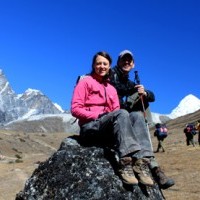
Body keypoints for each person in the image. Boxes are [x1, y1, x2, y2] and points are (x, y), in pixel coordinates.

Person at [71, 51, 155, 186]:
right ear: (93, 65)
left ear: (109, 66)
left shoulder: (111, 88)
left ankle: (142, 162)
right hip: (90, 127)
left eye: (105, 64)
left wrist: (144, 93)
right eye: (98, 63)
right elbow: (75, 109)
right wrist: (98, 115)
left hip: (107, 130)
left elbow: (117, 110)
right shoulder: (85, 82)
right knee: (121, 113)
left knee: (136, 116)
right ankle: (125, 163)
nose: (102, 66)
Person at [109, 50, 175, 189]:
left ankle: (153, 167)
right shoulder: (111, 74)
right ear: (118, 62)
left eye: (129, 60)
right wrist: (133, 92)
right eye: (124, 60)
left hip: (128, 116)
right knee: (136, 110)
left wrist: (144, 92)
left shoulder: (129, 81)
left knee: (142, 103)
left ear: (133, 64)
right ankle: (154, 169)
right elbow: (114, 89)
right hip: (115, 116)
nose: (127, 62)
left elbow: (153, 96)